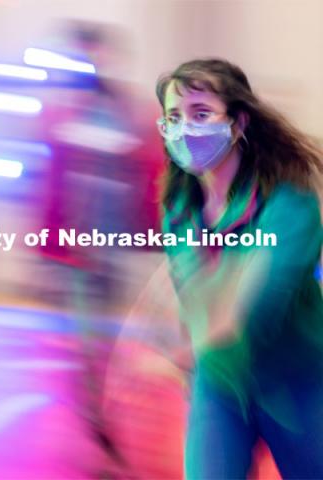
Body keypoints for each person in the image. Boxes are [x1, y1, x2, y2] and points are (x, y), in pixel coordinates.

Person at [151, 58, 323, 479]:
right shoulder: (179, 210)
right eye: (173, 117)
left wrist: (203, 336)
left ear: (238, 123)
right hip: (220, 388)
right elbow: (193, 295)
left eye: (201, 114)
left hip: (299, 386)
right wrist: (190, 335)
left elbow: (260, 305)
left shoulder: (291, 205)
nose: (185, 128)